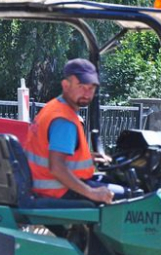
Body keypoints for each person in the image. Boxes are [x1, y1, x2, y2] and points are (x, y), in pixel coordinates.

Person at [26, 58, 122, 204]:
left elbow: (52, 154)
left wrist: (89, 158)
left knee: (110, 183)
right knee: (132, 196)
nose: (87, 93)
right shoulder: (64, 120)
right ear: (65, 85)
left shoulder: (53, 107)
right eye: (81, 86)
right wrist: (92, 193)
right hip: (57, 191)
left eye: (92, 87)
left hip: (45, 185)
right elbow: (57, 168)